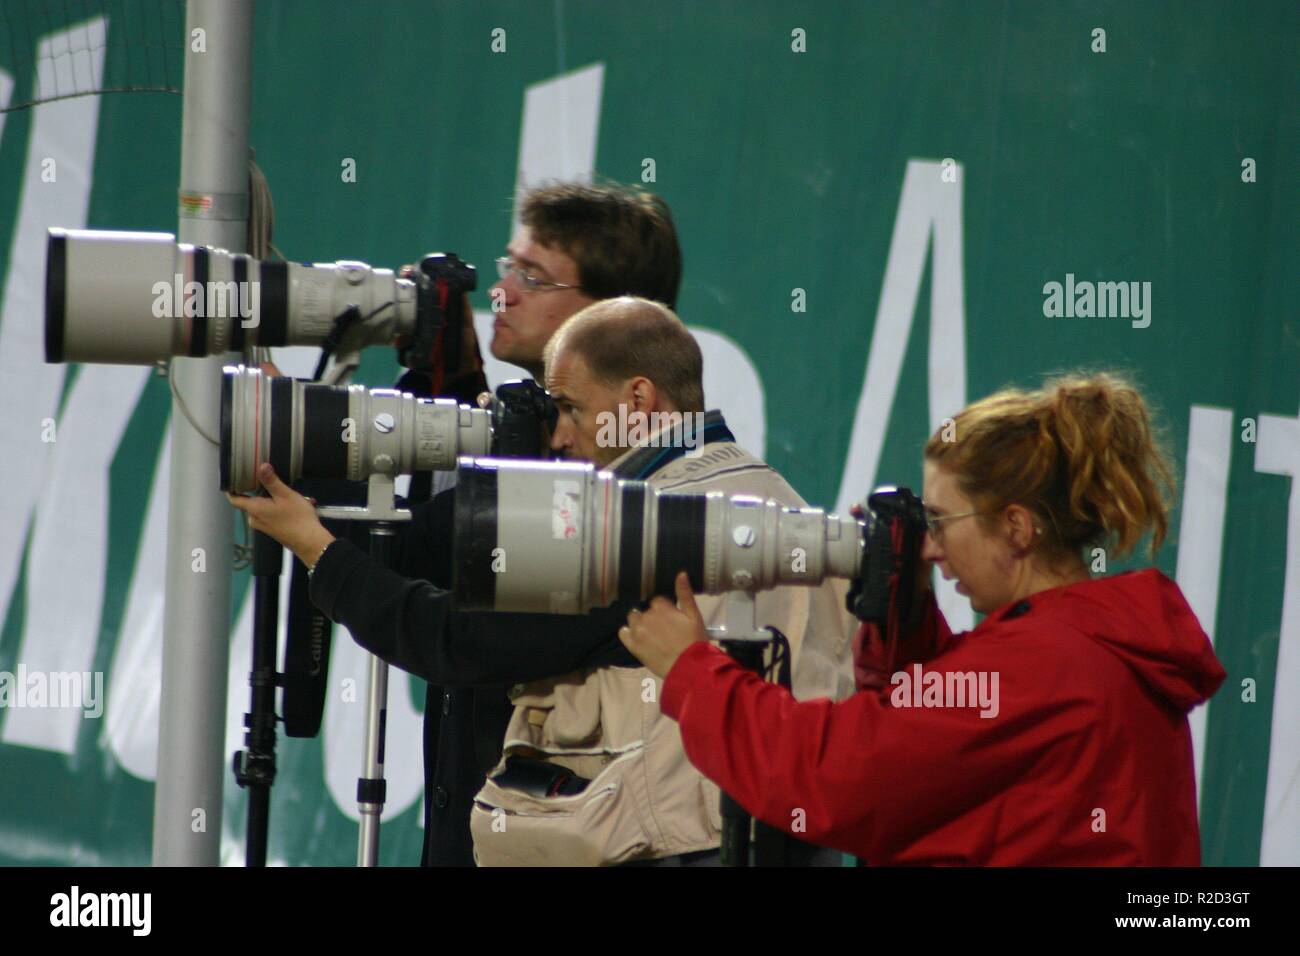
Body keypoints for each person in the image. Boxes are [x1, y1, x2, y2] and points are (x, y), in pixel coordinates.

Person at [231, 181, 683, 866]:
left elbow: (457, 636)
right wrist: (292, 433)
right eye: (507, 267)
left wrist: (315, 544)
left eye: (534, 277)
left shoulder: (621, 488)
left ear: (614, 314)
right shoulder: (526, 436)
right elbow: (413, 545)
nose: (503, 293)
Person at [619, 373, 1227, 865]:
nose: (931, 550)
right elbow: (946, 771)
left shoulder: (1040, 665)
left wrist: (694, 673)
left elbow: (836, 779)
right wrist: (903, 624)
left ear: (1015, 527)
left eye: (941, 522)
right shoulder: (1091, 643)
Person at [466, 297, 855, 866]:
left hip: (685, 847)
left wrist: (322, 552)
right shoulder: (779, 502)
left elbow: (462, 646)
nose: (557, 438)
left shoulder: (639, 534)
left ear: (639, 400)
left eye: (570, 409)